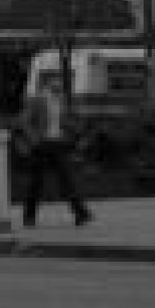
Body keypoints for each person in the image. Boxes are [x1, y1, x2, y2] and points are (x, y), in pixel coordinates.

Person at [21, 73, 93, 227]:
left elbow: (65, 121)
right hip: (42, 146)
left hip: (58, 144)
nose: (59, 84)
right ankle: (29, 217)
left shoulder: (61, 101)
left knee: (67, 179)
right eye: (56, 81)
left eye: (60, 82)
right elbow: (25, 121)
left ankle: (81, 214)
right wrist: (34, 139)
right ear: (48, 83)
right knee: (36, 183)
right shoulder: (37, 100)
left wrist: (74, 130)